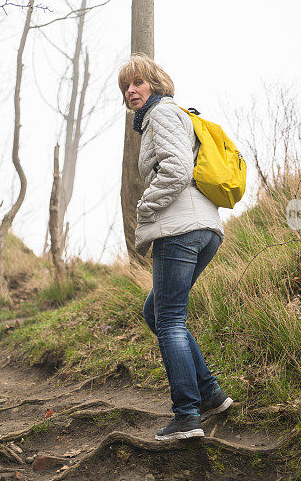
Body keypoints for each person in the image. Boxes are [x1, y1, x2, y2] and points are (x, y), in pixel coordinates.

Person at [118, 53, 233, 441]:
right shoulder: (167, 115)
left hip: (181, 230)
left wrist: (145, 207)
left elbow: (178, 170)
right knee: (157, 313)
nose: (132, 90)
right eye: (126, 86)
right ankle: (211, 395)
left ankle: (187, 415)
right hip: (203, 229)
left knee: (168, 321)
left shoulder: (163, 114)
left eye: (139, 82)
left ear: (156, 83)